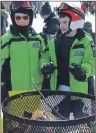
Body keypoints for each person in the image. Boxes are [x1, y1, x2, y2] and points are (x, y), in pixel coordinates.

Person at [41, 3, 95, 118]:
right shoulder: (55, 41)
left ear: (75, 22)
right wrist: (45, 65)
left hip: (80, 92)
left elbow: (91, 60)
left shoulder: (86, 41)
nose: (61, 25)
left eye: (65, 22)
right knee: (60, 123)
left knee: (82, 124)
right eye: (60, 22)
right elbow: (45, 55)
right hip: (61, 91)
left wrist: (83, 71)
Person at [1, 1, 48, 102]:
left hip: (35, 89)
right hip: (15, 90)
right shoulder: (8, 39)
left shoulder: (37, 38)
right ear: (13, 18)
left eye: (25, 18)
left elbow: (44, 56)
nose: (22, 21)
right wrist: (2, 85)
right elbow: (1, 61)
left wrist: (44, 66)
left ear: (30, 18)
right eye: (18, 18)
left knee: (33, 116)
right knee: (15, 117)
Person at [83, 21, 95, 95]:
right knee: (91, 87)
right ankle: (92, 104)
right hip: (91, 67)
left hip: (86, 66)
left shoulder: (83, 37)